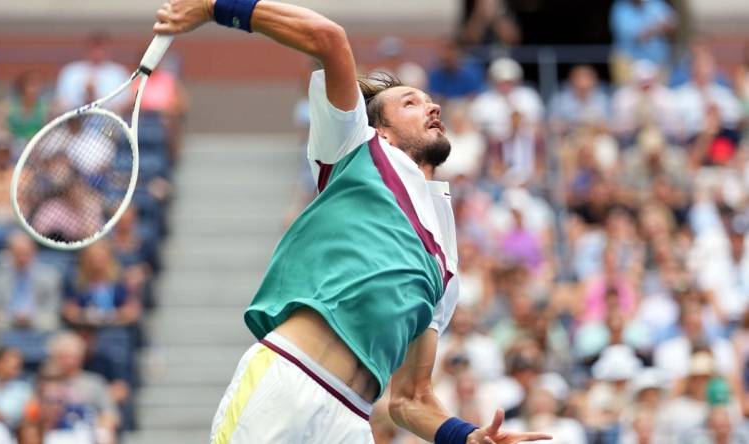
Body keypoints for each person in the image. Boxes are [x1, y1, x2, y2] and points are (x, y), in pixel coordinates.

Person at [153, 1, 552, 444]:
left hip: (352, 420)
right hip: (290, 382)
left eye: (429, 99)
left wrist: (465, 436)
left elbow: (410, 399)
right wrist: (215, 7)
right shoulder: (354, 151)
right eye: (410, 102)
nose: (432, 105)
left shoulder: (445, 261)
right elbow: (330, 40)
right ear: (379, 129)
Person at [0, 232, 62, 345]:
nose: (22, 258)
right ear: (9, 253)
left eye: (25, 253)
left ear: (34, 253)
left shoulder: (49, 276)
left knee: (51, 323)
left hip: (38, 323)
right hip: (7, 323)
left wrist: (30, 318)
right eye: (17, 253)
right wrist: (12, 317)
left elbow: (53, 311)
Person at [54, 32, 129, 113]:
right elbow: (61, 101)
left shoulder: (119, 73)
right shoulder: (70, 72)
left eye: (101, 48)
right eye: (94, 48)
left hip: (109, 120)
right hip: (75, 120)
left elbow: (126, 102)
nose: (97, 52)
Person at [609, 0, 676, 84]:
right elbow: (638, 36)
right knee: (628, 94)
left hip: (657, 60)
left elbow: (672, 23)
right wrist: (658, 28)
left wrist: (661, 27)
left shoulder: (656, 4)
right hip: (629, 61)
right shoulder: (620, 7)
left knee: (659, 93)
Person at [0, 348, 33, 429]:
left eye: (18, 365)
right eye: (10, 362)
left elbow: (25, 416)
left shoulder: (24, 389)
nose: (17, 368)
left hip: (12, 433)